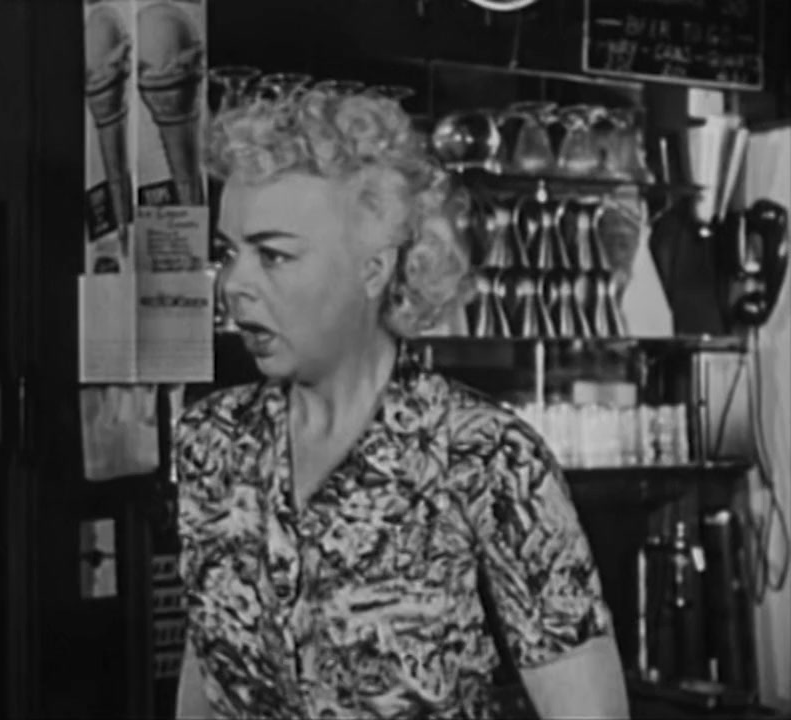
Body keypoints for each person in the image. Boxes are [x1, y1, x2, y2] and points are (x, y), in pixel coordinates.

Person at [174, 88, 629, 719]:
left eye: (273, 255)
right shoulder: (212, 440)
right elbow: (206, 666)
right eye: (229, 252)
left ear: (374, 269)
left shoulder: (484, 456)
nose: (233, 284)